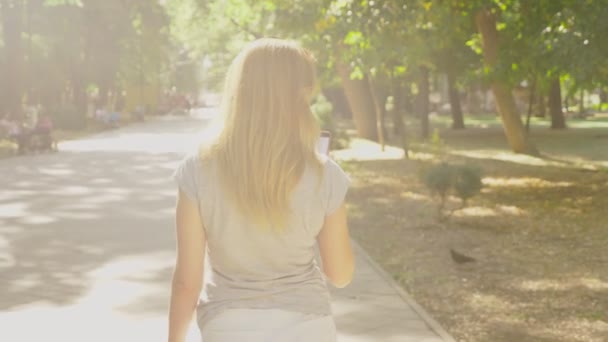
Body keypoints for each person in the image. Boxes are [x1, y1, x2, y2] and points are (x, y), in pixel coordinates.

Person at [169, 38, 354, 342]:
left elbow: (186, 283)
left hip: (227, 327)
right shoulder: (325, 175)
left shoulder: (197, 169)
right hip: (309, 327)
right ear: (299, 96)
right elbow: (341, 274)